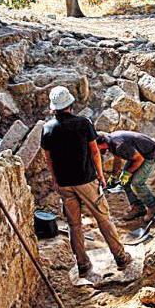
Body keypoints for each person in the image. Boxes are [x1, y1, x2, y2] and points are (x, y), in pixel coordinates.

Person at [40, 86, 133, 277]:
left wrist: (56, 180)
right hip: (86, 180)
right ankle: (121, 257)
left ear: (54, 108)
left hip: (65, 184)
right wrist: (100, 175)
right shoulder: (83, 123)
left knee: (74, 225)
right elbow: (95, 151)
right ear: (70, 105)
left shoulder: (47, 128)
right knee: (103, 218)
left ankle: (82, 264)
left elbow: (48, 159)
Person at [97, 131, 155, 221]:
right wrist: (114, 175)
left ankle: (154, 205)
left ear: (102, 143)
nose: (97, 151)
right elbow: (117, 159)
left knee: (136, 183)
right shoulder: (111, 142)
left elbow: (139, 159)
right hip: (139, 153)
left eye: (97, 148)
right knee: (124, 181)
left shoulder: (120, 145)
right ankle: (138, 207)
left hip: (150, 155)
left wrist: (128, 173)